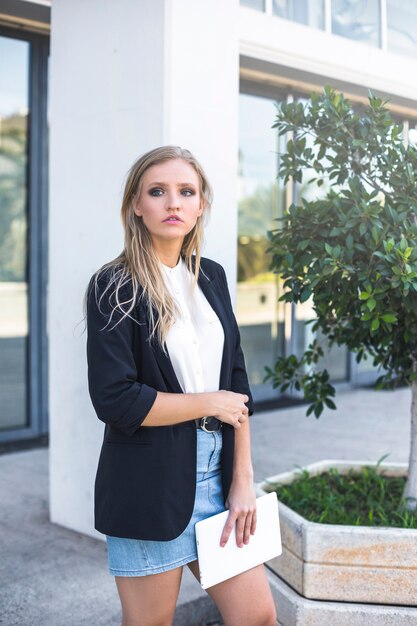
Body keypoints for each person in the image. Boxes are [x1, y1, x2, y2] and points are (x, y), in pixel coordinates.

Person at [86, 146, 277, 626]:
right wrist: (207, 402)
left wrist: (242, 480)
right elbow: (115, 399)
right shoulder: (114, 285)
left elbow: (238, 384)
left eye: (185, 192)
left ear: (200, 206)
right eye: (158, 191)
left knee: (257, 617)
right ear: (137, 205)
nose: (173, 202)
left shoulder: (210, 276)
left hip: (220, 474)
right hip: (149, 482)